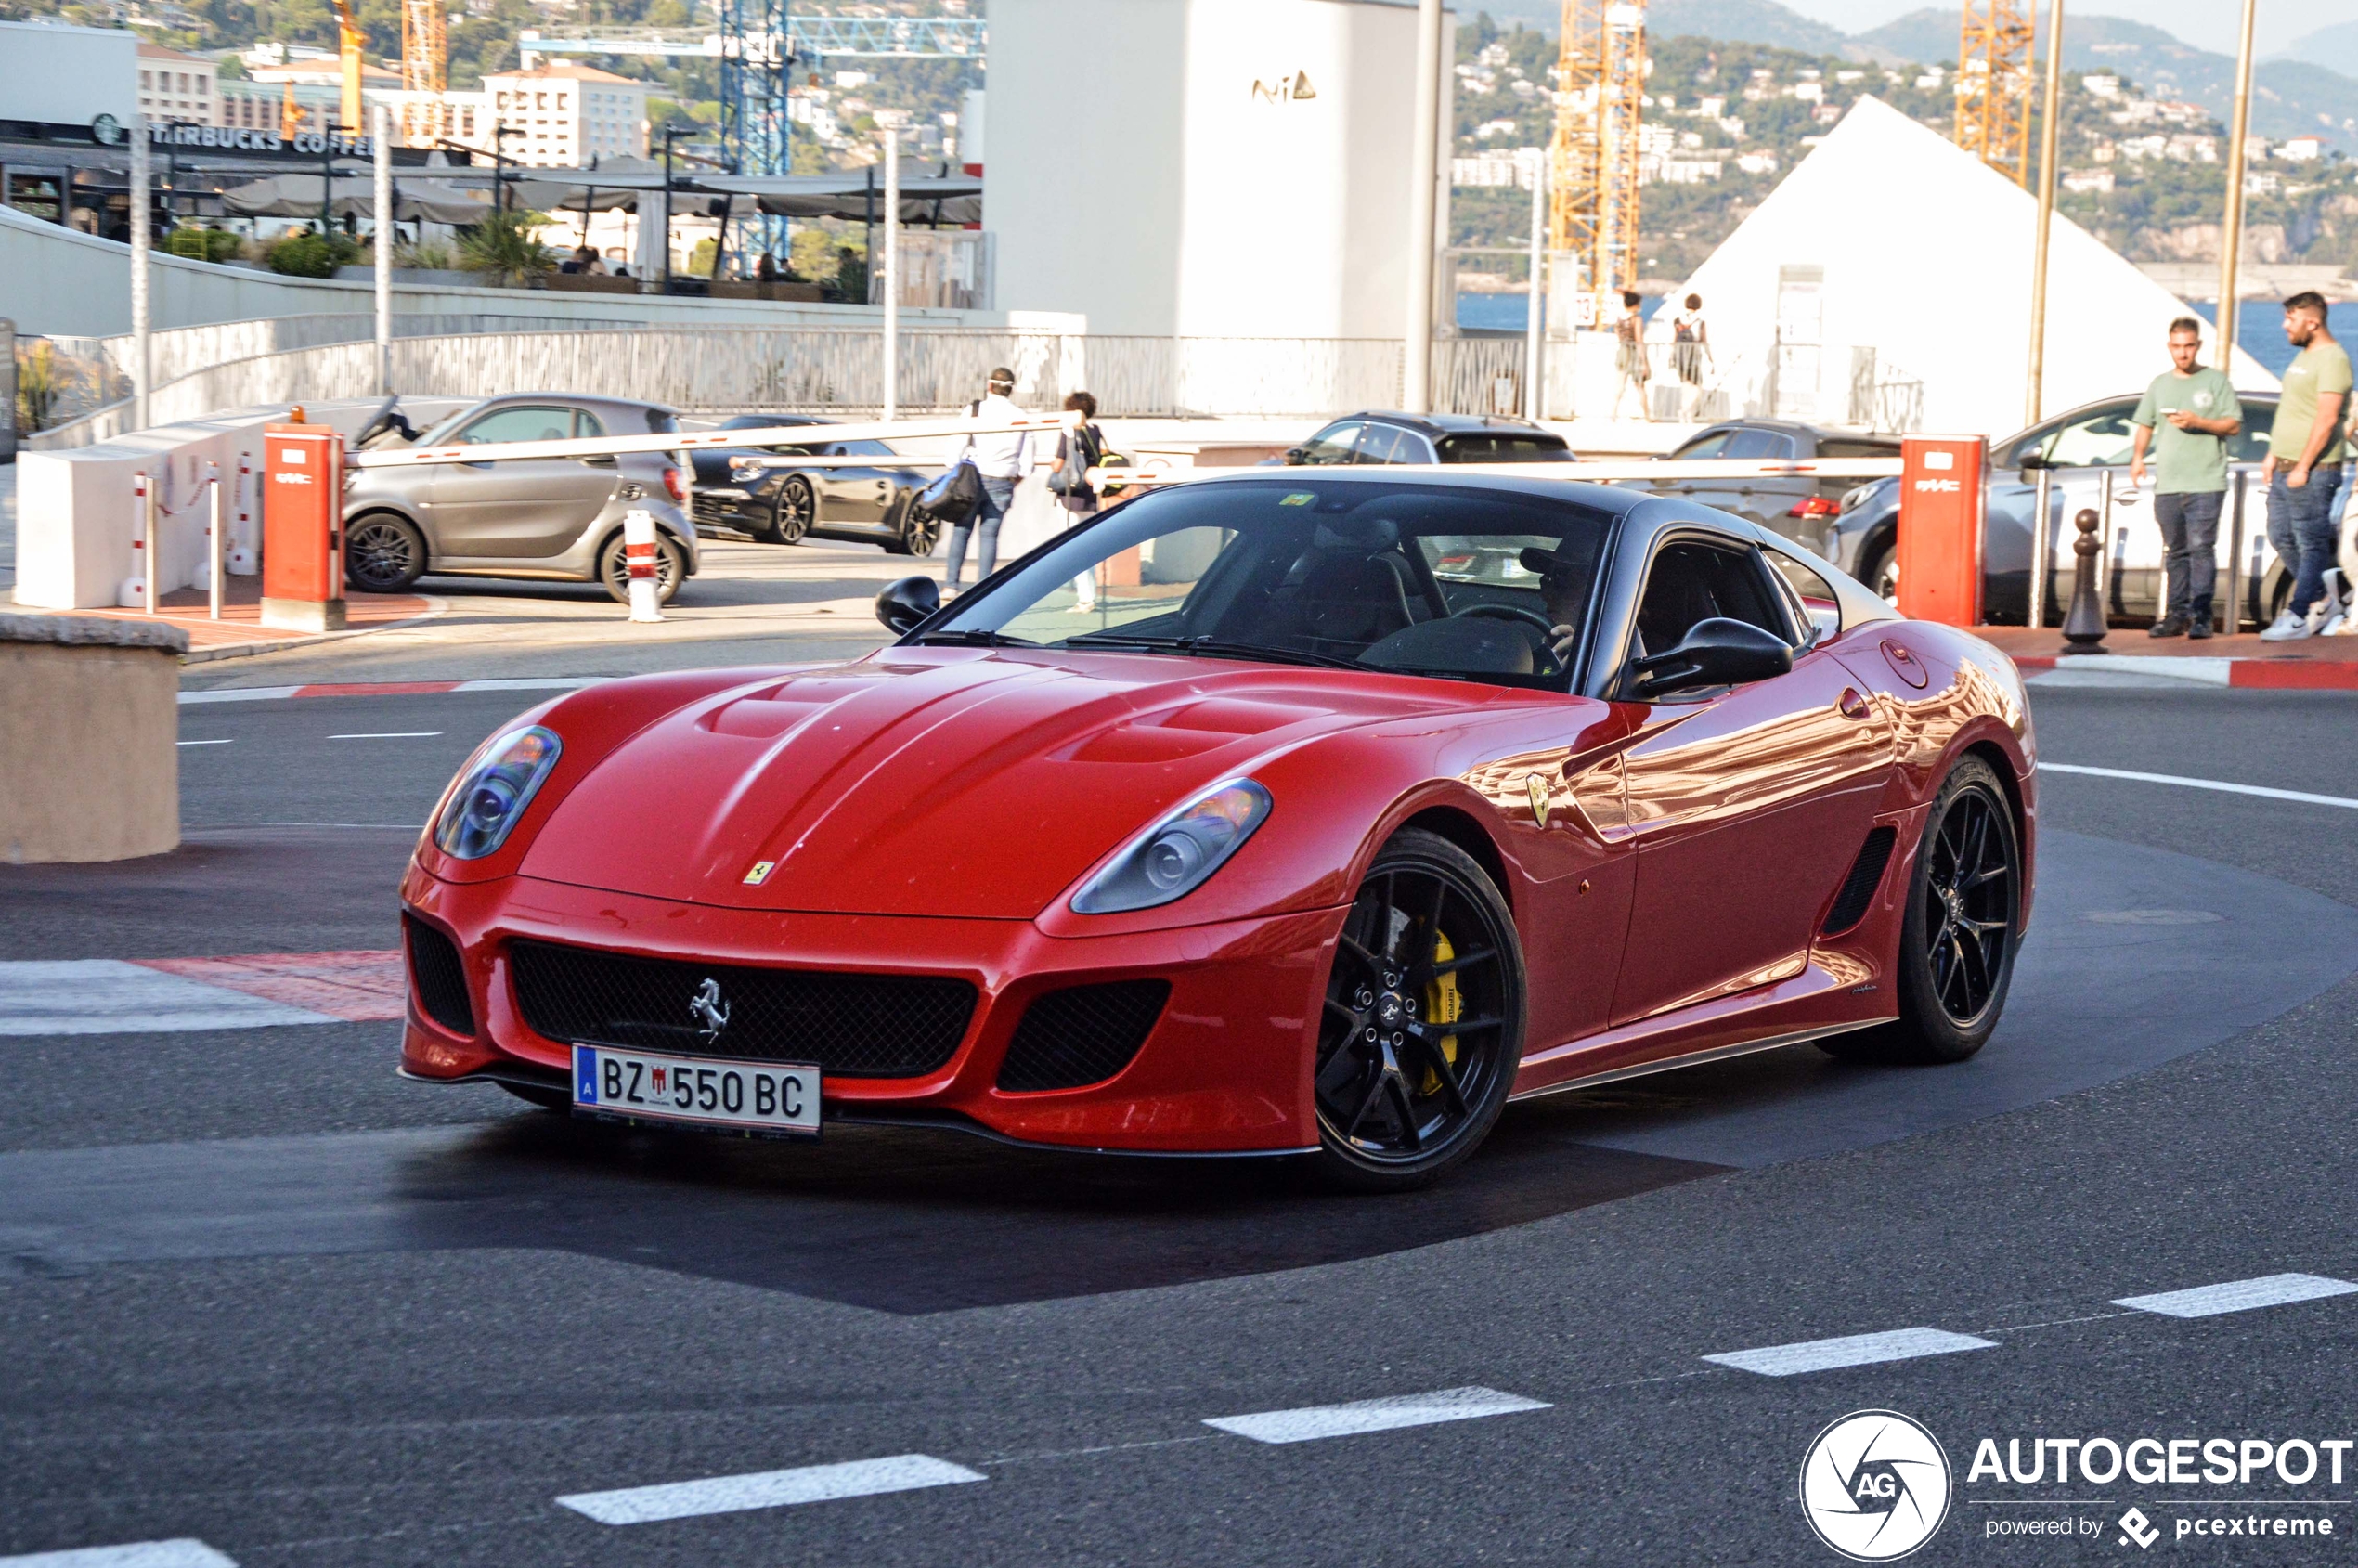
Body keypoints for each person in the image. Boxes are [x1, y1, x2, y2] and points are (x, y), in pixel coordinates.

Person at [2128, 317, 2241, 638]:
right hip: (2169, 483)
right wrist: (2138, 458)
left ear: (2198, 346)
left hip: (2206, 481)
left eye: (2189, 346)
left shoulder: (2215, 381)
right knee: (2175, 552)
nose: (2183, 353)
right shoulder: (2160, 384)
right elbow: (2145, 424)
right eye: (2177, 347)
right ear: (2169, 347)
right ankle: (2176, 615)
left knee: (2201, 548)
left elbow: (2233, 424)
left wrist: (2198, 422)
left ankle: (2202, 616)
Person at [2261, 292, 2351, 641]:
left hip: (2313, 471)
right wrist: (2273, 453)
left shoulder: (2334, 359)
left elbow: (2327, 419)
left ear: (2312, 322)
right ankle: (2323, 598)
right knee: (2280, 534)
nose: (2285, 325)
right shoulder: (2303, 358)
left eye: (2291, 318)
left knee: (2310, 543)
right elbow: (2291, 411)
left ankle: (2298, 616)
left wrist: (2303, 466)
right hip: (2284, 466)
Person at [944, 367, 1030, 591]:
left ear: (990, 386)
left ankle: (951, 586)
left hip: (971, 478)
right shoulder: (1021, 417)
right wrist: (1015, 479)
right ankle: (981, 590)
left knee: (961, 531)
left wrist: (954, 471)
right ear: (1010, 390)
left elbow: (956, 446)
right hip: (1003, 479)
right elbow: (1027, 461)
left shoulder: (974, 410)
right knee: (989, 536)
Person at [1050, 391, 1107, 612]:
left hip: (1070, 496)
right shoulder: (1095, 431)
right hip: (1091, 495)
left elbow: (1058, 464)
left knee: (1073, 546)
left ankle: (1085, 597)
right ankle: (1087, 594)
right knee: (1087, 545)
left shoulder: (1068, 432)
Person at [1612, 291, 1652, 421]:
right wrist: (1644, 361)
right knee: (1640, 386)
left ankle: (1613, 413)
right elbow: (1639, 340)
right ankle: (1647, 415)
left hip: (1622, 352)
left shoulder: (1619, 320)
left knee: (1619, 384)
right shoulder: (1636, 319)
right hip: (1633, 352)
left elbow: (1618, 335)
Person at [1671, 293, 1711, 419]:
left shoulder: (1678, 320)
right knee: (1697, 386)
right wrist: (1710, 358)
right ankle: (1687, 411)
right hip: (1693, 355)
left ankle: (1684, 412)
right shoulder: (1699, 321)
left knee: (1686, 385)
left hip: (1680, 354)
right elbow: (1704, 340)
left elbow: (1674, 339)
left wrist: (1671, 356)